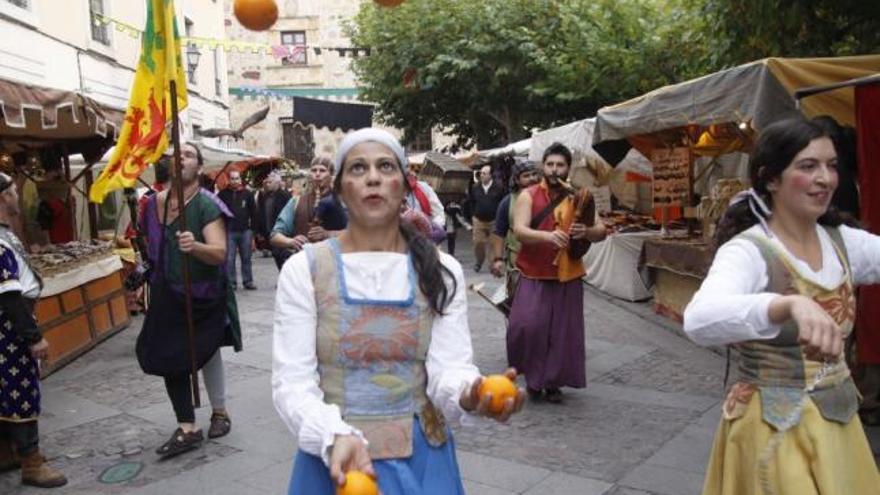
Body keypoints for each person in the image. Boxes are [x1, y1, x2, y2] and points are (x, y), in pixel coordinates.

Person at [272, 128, 525, 495]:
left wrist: (469, 394)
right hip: (336, 464)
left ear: (404, 186)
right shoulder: (305, 270)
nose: (373, 177)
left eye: (385, 167)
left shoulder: (441, 269)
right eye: (358, 168)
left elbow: (448, 368)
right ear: (340, 189)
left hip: (422, 461)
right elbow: (291, 383)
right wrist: (333, 436)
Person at [683, 118, 880, 495]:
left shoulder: (842, 242)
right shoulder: (749, 251)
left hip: (837, 424)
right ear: (771, 179)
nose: (825, 178)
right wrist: (783, 304)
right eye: (808, 166)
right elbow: (699, 318)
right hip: (774, 429)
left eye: (832, 165)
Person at [141, 143, 242, 458]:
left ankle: (220, 411)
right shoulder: (151, 205)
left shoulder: (206, 205)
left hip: (203, 294)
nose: (179, 158)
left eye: (187, 155)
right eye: (175, 154)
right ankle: (187, 426)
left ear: (199, 167)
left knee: (206, 351)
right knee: (169, 355)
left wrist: (195, 246)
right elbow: (150, 245)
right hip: (166, 292)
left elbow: (220, 253)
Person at [510, 143, 607, 403]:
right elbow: (520, 230)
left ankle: (552, 383)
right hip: (534, 272)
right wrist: (547, 236)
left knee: (562, 332)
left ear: (567, 168)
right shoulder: (528, 195)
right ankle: (533, 377)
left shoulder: (580, 196)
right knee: (527, 326)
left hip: (568, 275)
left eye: (560, 165)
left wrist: (585, 232)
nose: (554, 170)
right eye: (550, 164)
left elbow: (601, 230)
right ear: (543, 165)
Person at [0, 173, 67, 488]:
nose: (17, 195)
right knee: (21, 392)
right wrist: (33, 336)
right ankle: (31, 462)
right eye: (13, 190)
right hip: (10, 329)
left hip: (11, 324)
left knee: (6, 392)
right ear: (3, 197)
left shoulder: (5, 233)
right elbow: (9, 296)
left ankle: (6, 453)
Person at [269, 156, 347, 269]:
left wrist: (328, 234)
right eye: (314, 170)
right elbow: (274, 236)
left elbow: (359, 235)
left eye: (322, 170)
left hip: (336, 266)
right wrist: (290, 241)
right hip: (304, 266)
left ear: (331, 174)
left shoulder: (345, 201)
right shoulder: (296, 201)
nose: (317, 174)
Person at [490, 159, 538, 312]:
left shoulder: (549, 197)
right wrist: (498, 259)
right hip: (517, 264)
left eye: (534, 174)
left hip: (544, 263)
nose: (532, 178)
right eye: (526, 175)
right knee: (518, 308)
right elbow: (499, 232)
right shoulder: (507, 202)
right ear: (517, 179)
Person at [217, 170, 258, 290]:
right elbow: (218, 212)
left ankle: (248, 281)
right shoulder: (222, 194)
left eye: (237, 178)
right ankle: (231, 282)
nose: (235, 181)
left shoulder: (247, 194)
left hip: (245, 231)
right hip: (229, 231)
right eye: (232, 178)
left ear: (240, 180)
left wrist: (253, 230)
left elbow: (254, 212)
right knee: (230, 259)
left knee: (246, 257)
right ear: (229, 180)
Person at [467, 165, 505, 272]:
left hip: (494, 220)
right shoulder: (475, 187)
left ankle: (493, 265)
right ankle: (479, 261)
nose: (481, 175)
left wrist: (501, 218)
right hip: (479, 220)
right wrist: (473, 214)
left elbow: (503, 202)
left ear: (490, 175)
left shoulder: (499, 187)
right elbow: (471, 202)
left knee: (494, 244)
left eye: (484, 173)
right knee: (478, 242)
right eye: (480, 173)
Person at [255, 172, 290, 259]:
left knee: (281, 255)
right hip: (268, 231)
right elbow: (260, 213)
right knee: (277, 255)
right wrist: (260, 230)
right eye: (267, 182)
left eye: (270, 182)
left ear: (277, 183)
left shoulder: (285, 196)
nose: (267, 184)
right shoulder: (265, 196)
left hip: (280, 232)